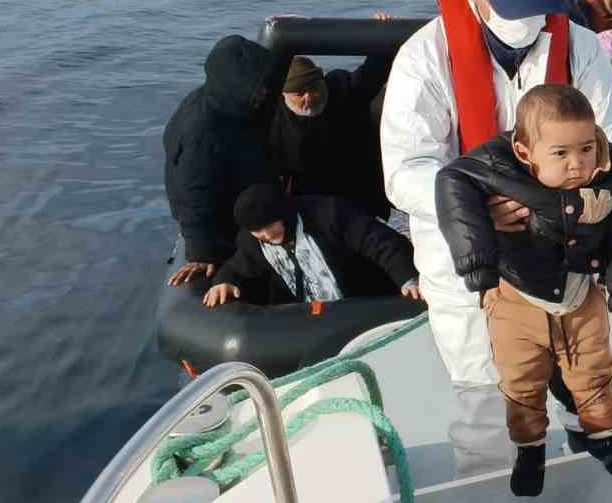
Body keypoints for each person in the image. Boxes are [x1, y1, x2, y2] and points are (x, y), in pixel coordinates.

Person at [380, 0, 612, 476]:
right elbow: (404, 168)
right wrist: (475, 202)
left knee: (583, 383)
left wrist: (577, 196)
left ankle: (586, 491)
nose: (528, 19)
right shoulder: (424, 59)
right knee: (491, 407)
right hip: (472, 267)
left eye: (535, 1)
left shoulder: (582, 50)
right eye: (511, 1)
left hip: (562, 256)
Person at [434, 85, 612, 496]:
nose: (577, 164)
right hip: (517, 295)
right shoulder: (493, 166)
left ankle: (602, 438)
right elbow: (452, 183)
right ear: (524, 152)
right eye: (561, 154)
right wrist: (478, 263)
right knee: (522, 380)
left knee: (593, 370)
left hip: (578, 291)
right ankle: (530, 449)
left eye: (586, 149)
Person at [164, 35, 286, 286]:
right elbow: (194, 192)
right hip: (225, 223)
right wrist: (201, 252)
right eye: (258, 86)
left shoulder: (228, 107)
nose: (264, 91)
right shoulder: (203, 131)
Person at [203, 184, 420, 307]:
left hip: (362, 303)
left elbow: (382, 242)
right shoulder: (252, 243)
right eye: (258, 231)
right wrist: (224, 281)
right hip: (308, 321)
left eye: (271, 225)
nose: (267, 235)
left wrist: (407, 279)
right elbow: (238, 267)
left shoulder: (330, 215)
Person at [270, 53, 393, 217]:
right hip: (307, 200)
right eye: (300, 93)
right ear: (284, 95)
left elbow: (377, 67)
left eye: (314, 88)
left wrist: (382, 32)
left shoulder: (343, 89)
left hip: (355, 192)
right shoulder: (272, 116)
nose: (309, 96)